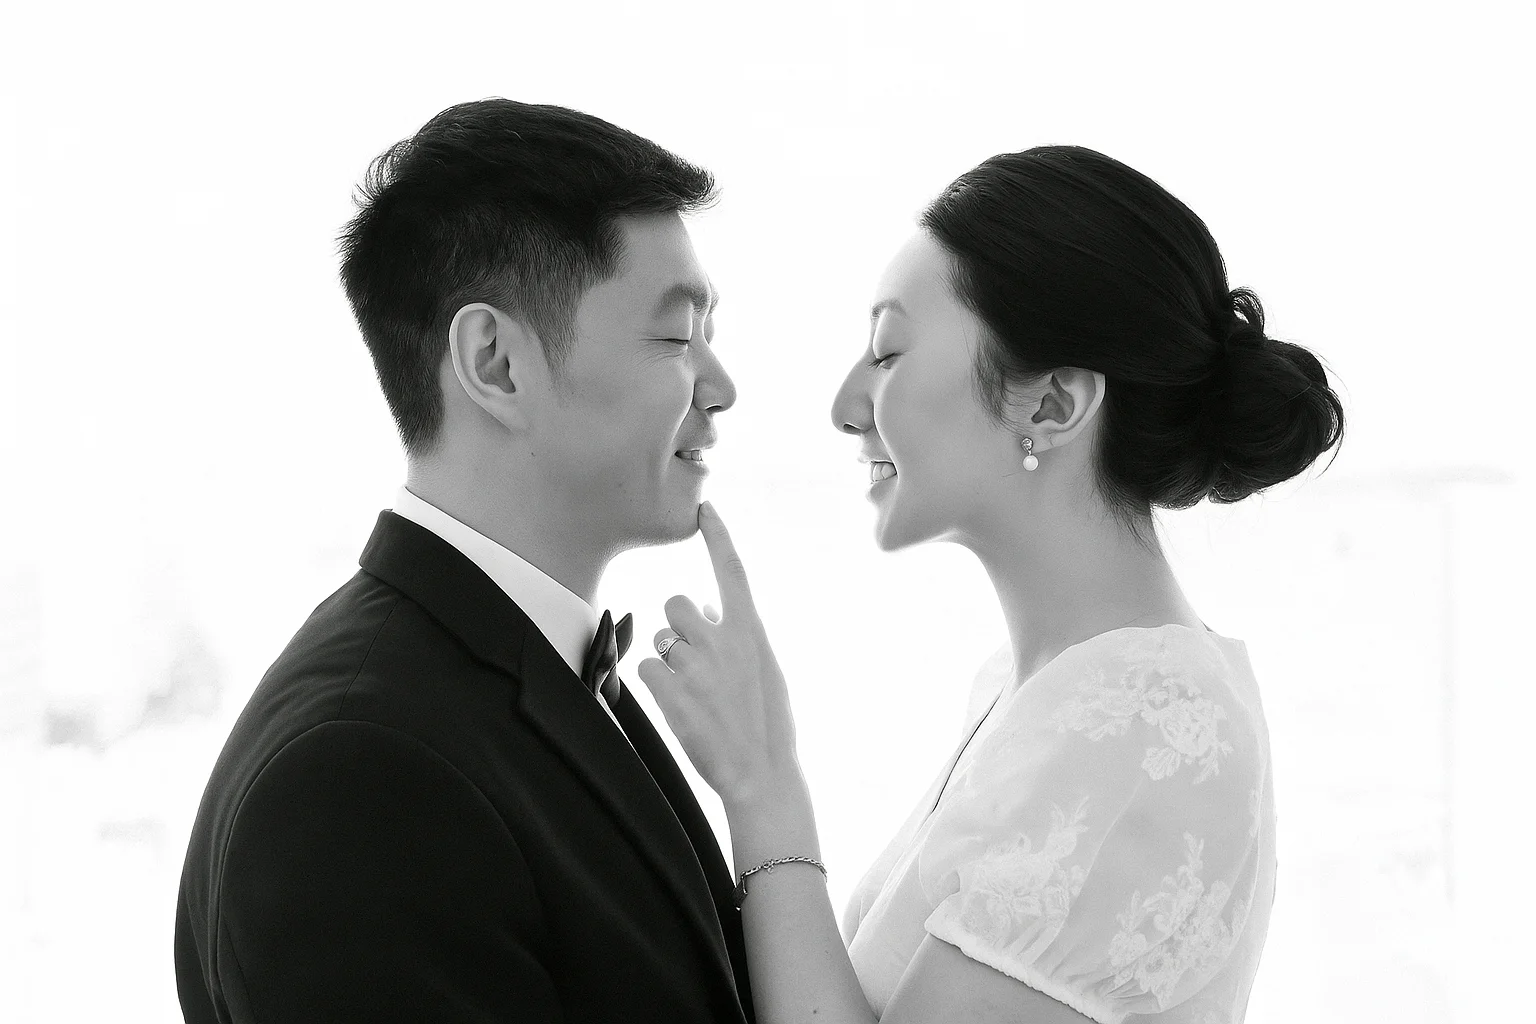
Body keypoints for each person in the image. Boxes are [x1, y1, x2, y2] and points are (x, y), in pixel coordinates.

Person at [636, 146, 1345, 1023]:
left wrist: (764, 782)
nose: (846, 406)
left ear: (1051, 406)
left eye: (889, 354)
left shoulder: (1141, 725)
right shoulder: (1046, 694)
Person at [173, 99, 754, 1023]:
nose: (720, 388)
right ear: (495, 362)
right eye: (679, 338)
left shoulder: (507, 674)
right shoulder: (361, 773)